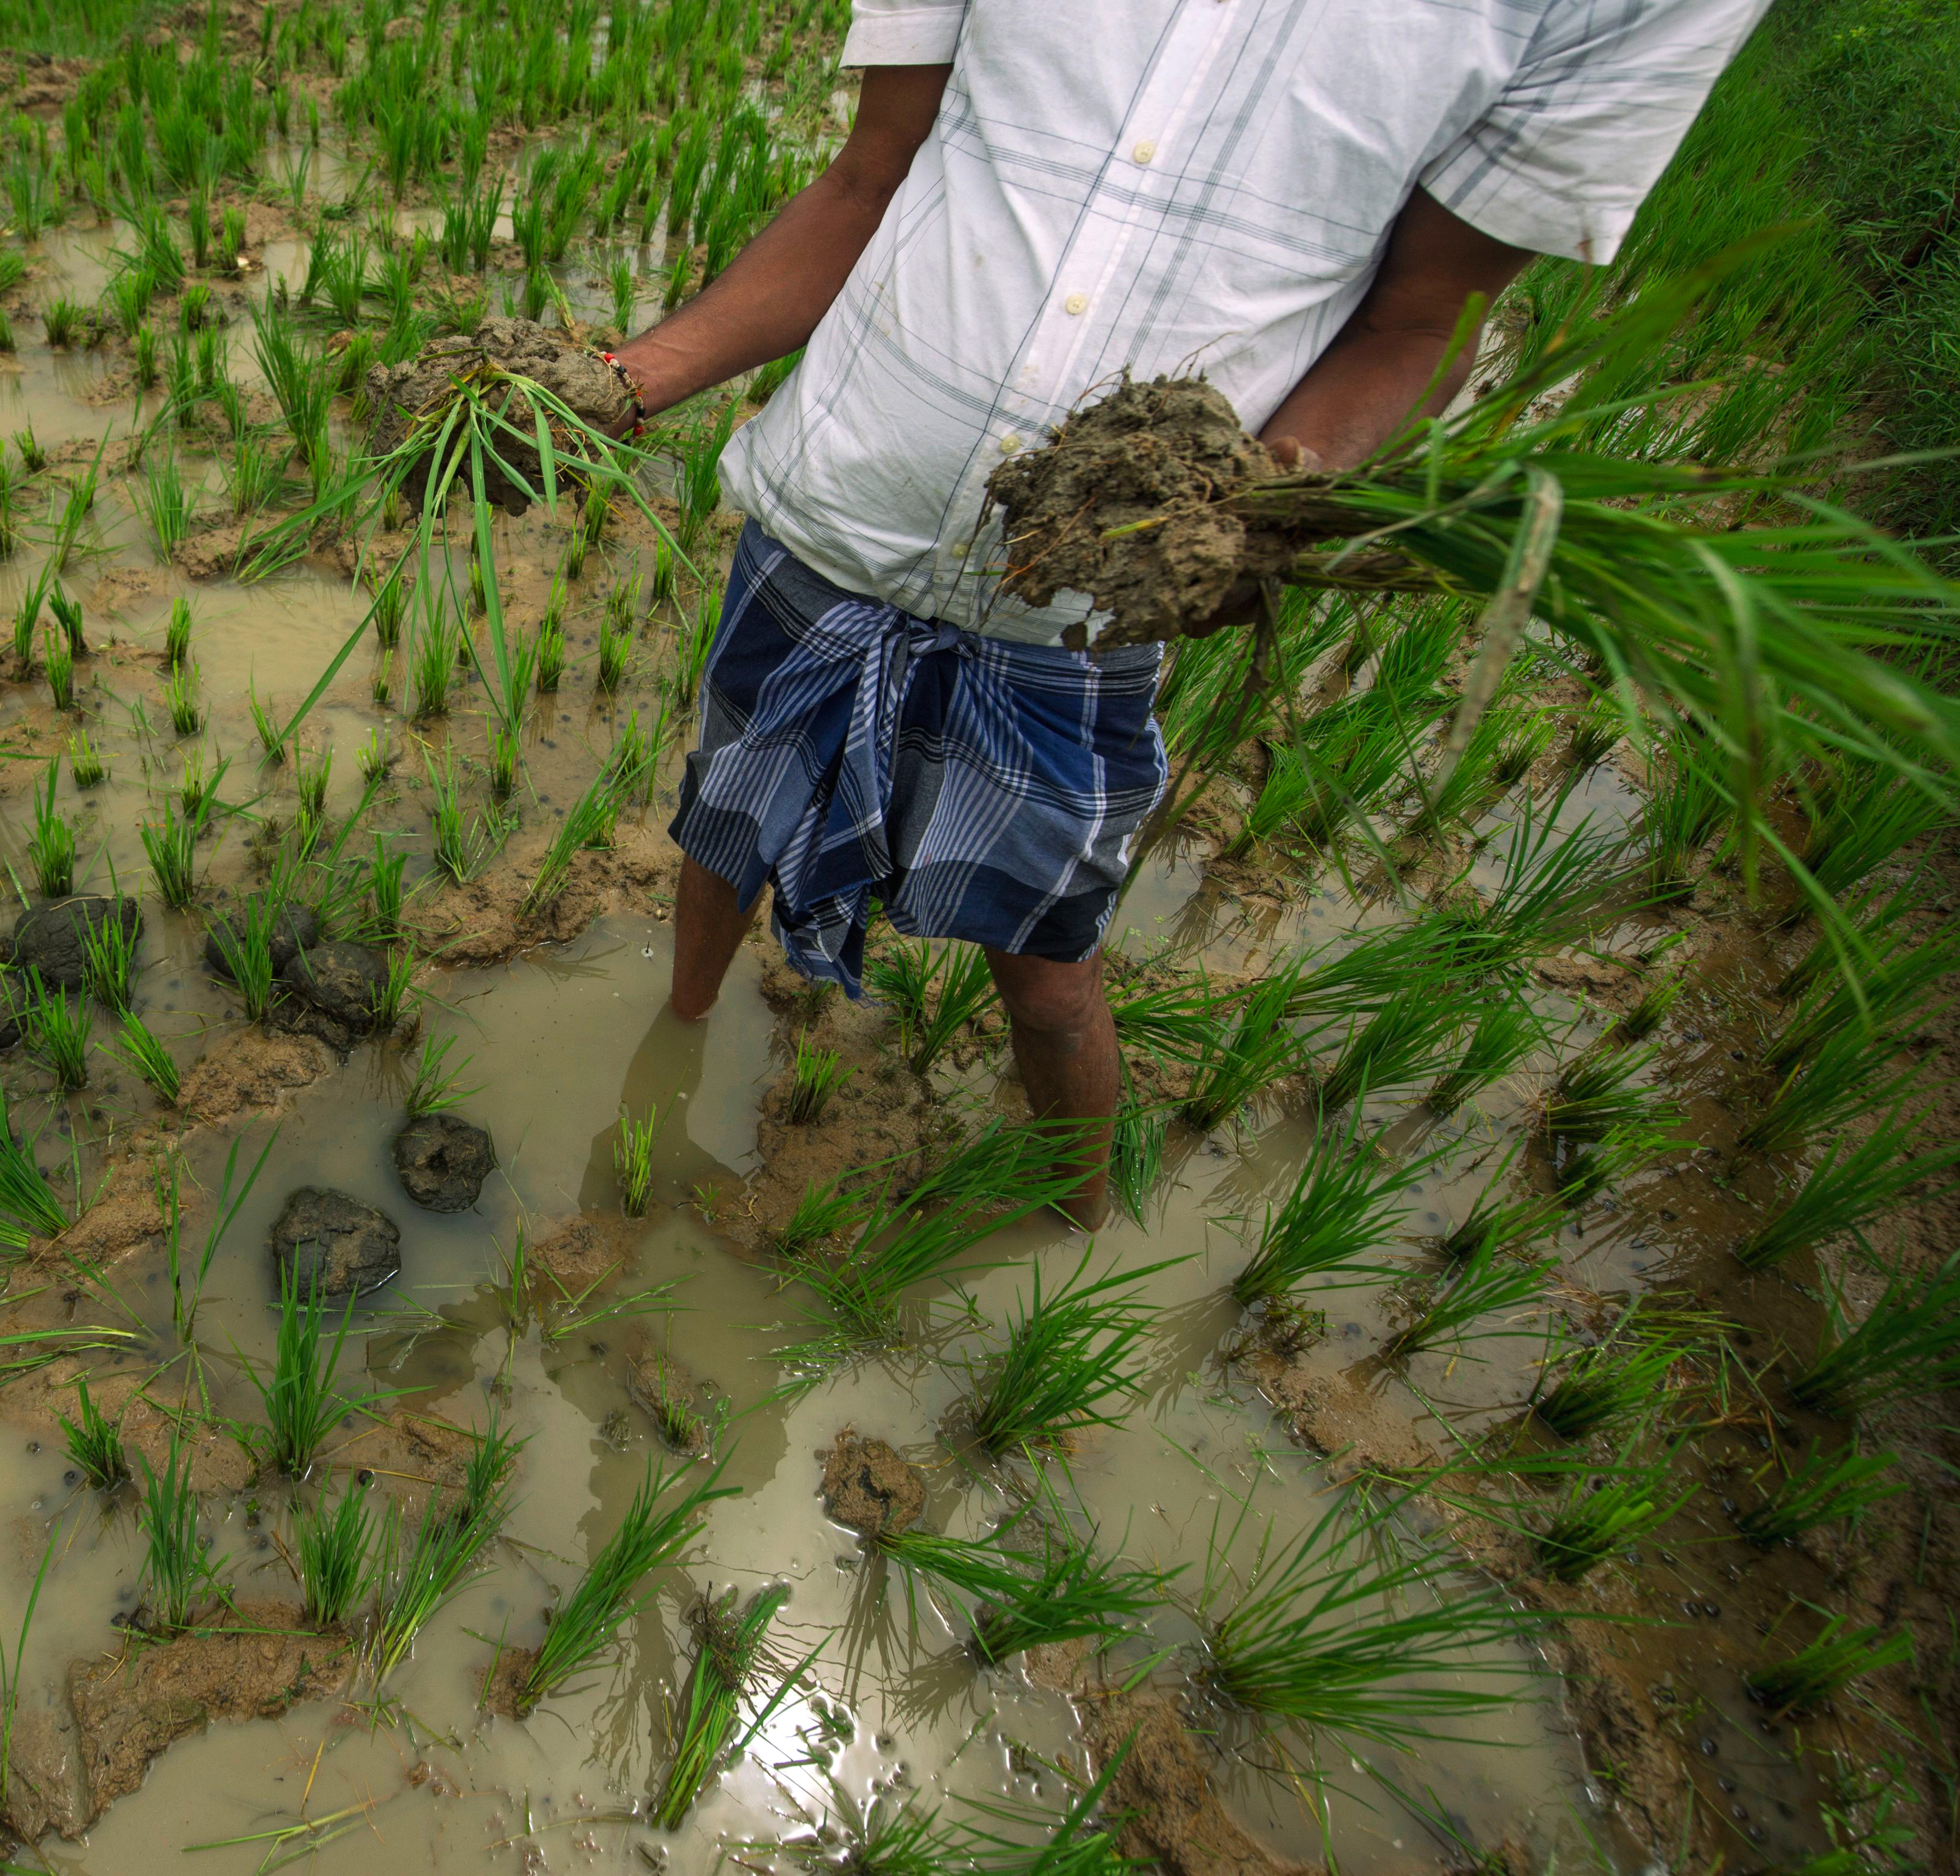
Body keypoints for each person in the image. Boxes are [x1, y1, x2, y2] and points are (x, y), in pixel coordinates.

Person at [595, 0, 1767, 1226]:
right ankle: (675, 1034)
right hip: (838, 502)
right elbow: (871, 171)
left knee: (1047, 969)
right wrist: (621, 384)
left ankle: (1071, 1229)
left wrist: (1245, 510)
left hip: (1077, 614)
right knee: (727, 830)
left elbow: (1419, 320)